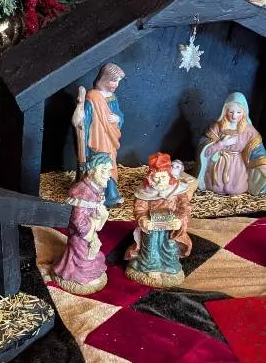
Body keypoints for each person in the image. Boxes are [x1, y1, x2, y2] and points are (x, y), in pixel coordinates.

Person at [125, 152, 192, 287]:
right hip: (152, 227)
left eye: (163, 177)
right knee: (150, 245)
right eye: (157, 178)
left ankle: (169, 266)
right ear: (150, 177)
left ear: (169, 175)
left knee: (170, 246)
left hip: (170, 227)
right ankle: (150, 267)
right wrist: (143, 220)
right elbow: (140, 209)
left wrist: (180, 220)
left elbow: (185, 207)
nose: (160, 181)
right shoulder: (145, 192)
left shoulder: (177, 190)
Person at [53, 152, 112, 295]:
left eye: (109, 171)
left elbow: (95, 211)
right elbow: (78, 221)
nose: (108, 175)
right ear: (92, 171)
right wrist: (92, 227)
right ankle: (79, 276)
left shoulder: (96, 188)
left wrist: (101, 215)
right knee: (84, 255)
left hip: (89, 231)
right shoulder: (83, 192)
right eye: (104, 171)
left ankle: (84, 272)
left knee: (94, 253)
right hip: (81, 234)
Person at [73, 63, 125, 207]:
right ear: (104, 78)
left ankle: (110, 195)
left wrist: (118, 118)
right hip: (96, 140)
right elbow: (85, 120)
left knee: (110, 165)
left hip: (110, 139)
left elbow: (120, 114)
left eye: (118, 81)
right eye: (114, 80)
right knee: (100, 166)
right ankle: (99, 196)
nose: (116, 85)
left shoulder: (112, 97)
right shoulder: (92, 97)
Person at [196, 92, 266, 196]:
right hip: (218, 164)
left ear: (244, 112)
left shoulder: (249, 130)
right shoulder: (216, 127)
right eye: (231, 112)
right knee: (215, 187)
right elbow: (204, 149)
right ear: (225, 111)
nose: (234, 116)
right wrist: (221, 144)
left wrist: (262, 165)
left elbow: (257, 149)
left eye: (238, 112)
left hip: (237, 167)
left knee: (236, 189)